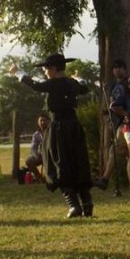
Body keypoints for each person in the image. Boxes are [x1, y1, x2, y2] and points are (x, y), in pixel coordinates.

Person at [9, 54, 94, 218]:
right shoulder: (71, 83)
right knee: (77, 163)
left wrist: (18, 72)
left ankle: (74, 206)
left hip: (59, 129)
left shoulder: (54, 84)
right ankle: (87, 203)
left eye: (46, 68)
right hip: (74, 127)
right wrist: (79, 77)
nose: (45, 71)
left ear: (54, 69)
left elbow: (34, 85)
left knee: (59, 164)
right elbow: (84, 87)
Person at [97, 59, 129, 191]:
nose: (117, 70)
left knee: (114, 150)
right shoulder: (113, 86)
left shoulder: (128, 83)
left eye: (120, 67)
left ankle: (104, 179)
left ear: (125, 69)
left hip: (126, 121)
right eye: (115, 68)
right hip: (116, 122)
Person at [24, 114, 50, 182]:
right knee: (28, 161)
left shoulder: (52, 132)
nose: (42, 122)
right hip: (41, 155)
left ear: (48, 121)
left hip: (51, 155)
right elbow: (33, 148)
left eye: (44, 120)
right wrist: (36, 155)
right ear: (38, 122)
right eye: (41, 121)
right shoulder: (36, 134)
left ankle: (52, 178)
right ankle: (40, 178)